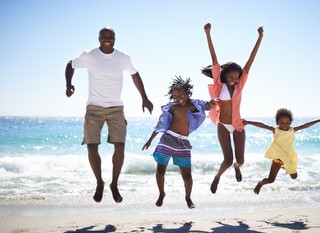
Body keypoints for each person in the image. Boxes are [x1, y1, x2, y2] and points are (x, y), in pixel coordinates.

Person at [65, 27, 153, 203]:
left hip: (116, 109)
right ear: (99, 38)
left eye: (110, 36)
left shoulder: (123, 57)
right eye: (104, 36)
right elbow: (70, 64)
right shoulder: (89, 55)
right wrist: (69, 84)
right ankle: (99, 183)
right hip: (94, 108)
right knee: (92, 147)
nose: (107, 39)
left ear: (115, 39)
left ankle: (114, 184)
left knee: (119, 146)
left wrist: (144, 97)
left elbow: (135, 75)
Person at [201, 23, 264, 194]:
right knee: (227, 160)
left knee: (240, 160)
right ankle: (217, 177)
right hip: (223, 124)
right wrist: (207, 33)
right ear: (225, 75)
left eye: (236, 78)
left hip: (237, 125)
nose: (234, 80)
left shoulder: (239, 86)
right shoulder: (218, 84)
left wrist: (260, 38)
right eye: (231, 77)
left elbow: (250, 61)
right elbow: (214, 58)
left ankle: (238, 167)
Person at [142, 76, 217, 209]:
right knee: (160, 172)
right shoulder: (173, 108)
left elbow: (207, 105)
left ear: (187, 92)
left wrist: (213, 102)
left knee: (187, 176)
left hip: (183, 143)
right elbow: (161, 125)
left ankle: (188, 197)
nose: (178, 97)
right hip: (167, 140)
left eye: (180, 93)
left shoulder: (196, 105)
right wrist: (149, 141)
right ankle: (161, 193)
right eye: (175, 95)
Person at [243, 109, 320, 194]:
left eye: (287, 123)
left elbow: (305, 125)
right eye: (282, 123)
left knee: (294, 177)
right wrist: (248, 122)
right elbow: (262, 125)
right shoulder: (275, 130)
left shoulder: (292, 130)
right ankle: (260, 183)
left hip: (289, 157)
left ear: (290, 123)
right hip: (278, 157)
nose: (285, 125)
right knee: (271, 180)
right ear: (277, 123)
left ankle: (284, 166)